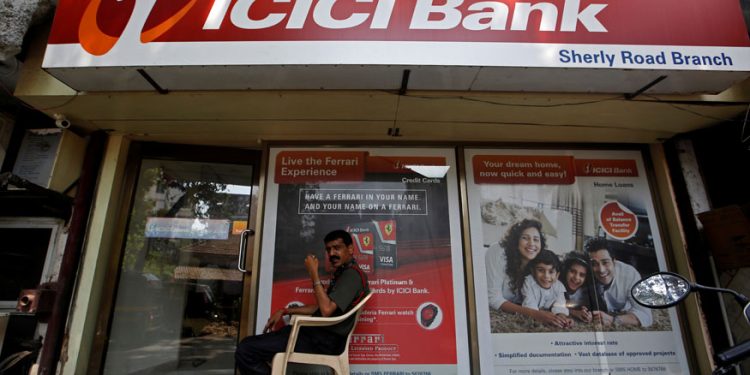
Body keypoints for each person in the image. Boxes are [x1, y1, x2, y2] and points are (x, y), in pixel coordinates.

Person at [235, 229, 370, 375]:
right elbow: (321, 308)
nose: (331, 254)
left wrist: (314, 274)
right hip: (314, 336)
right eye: (328, 249)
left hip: (323, 342)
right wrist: (286, 311)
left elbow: (326, 310)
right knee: (254, 346)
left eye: (337, 248)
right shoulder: (344, 273)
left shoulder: (352, 275)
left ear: (350, 249)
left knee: (246, 349)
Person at [485, 218, 569, 328]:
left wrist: (564, 315)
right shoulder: (498, 251)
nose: (531, 244)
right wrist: (536, 314)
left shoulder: (537, 265)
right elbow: (493, 298)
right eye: (525, 238)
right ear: (516, 241)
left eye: (536, 239)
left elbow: (552, 296)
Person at [585, 238, 652, 328]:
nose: (601, 270)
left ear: (614, 261)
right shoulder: (585, 273)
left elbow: (646, 316)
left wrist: (613, 320)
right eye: (594, 264)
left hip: (624, 310)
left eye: (605, 262)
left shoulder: (630, 274)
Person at [521, 250, 572, 328]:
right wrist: (541, 314)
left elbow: (560, 305)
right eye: (541, 270)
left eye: (551, 272)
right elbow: (529, 305)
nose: (546, 276)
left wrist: (562, 318)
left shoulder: (559, 286)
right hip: (534, 309)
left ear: (557, 275)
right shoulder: (529, 281)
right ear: (533, 271)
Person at [560, 252, 595, 323]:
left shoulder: (585, 292)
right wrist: (574, 312)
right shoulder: (558, 286)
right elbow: (551, 306)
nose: (576, 277)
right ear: (566, 270)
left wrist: (588, 314)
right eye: (573, 271)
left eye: (582, 275)